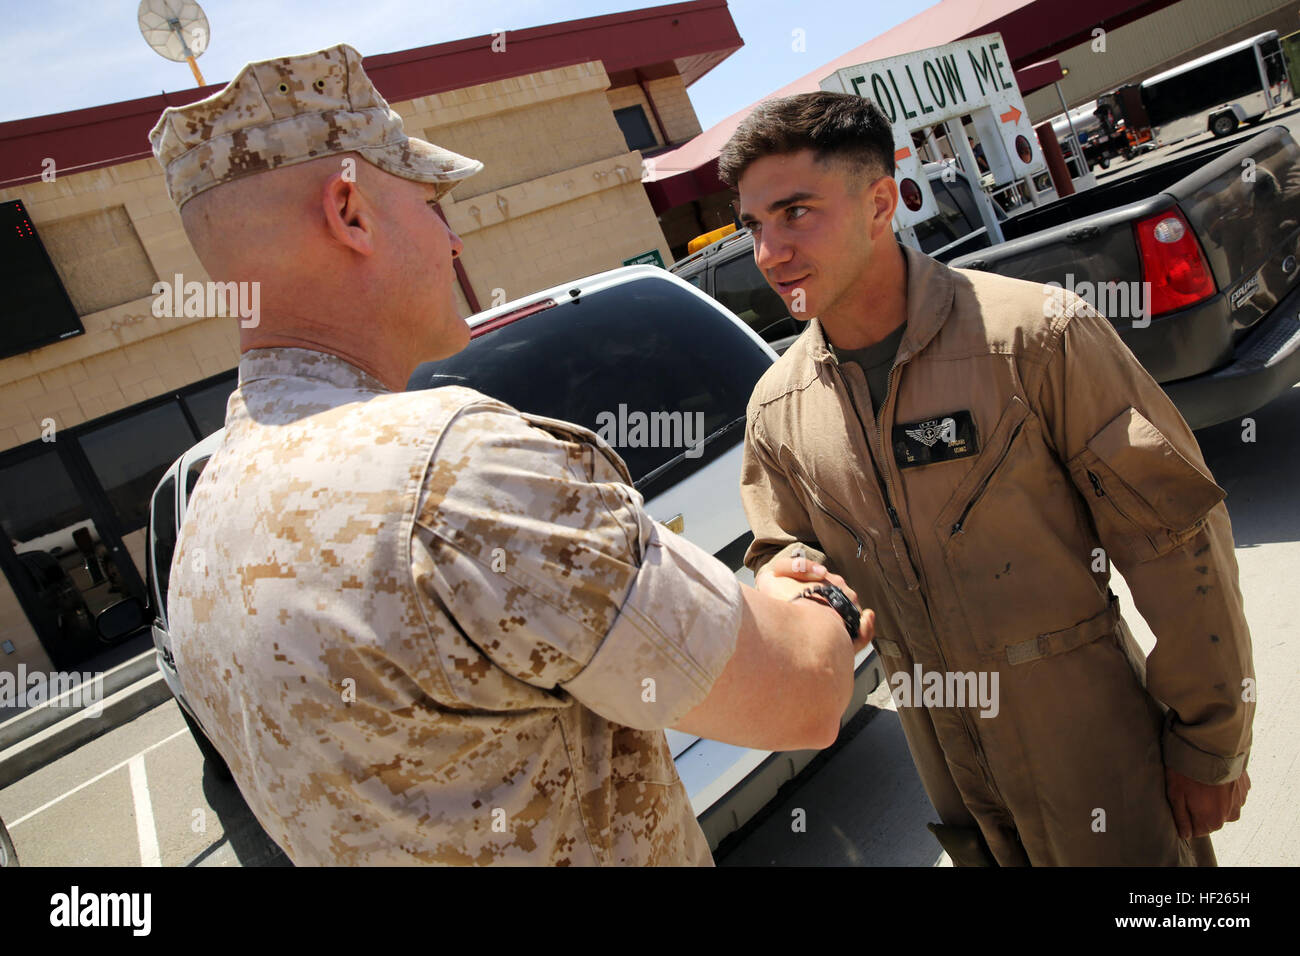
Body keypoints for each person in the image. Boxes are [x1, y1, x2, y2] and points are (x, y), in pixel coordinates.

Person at [155, 46, 873, 866]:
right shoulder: (454, 471)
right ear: (349, 212)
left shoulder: (202, 529)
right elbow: (802, 699)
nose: (454, 241)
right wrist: (820, 609)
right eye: (430, 203)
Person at [722, 91, 1255, 866]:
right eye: (753, 225)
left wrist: (1211, 740)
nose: (769, 252)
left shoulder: (1035, 338)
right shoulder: (778, 409)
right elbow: (782, 550)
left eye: (795, 213)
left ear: (879, 203)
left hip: (1095, 754)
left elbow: (1173, 540)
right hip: (950, 769)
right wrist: (784, 580)